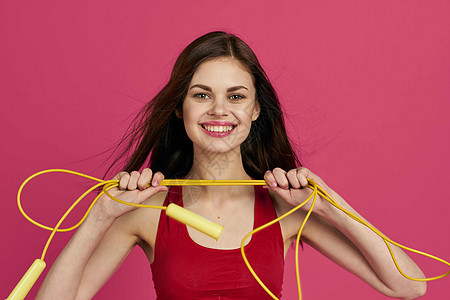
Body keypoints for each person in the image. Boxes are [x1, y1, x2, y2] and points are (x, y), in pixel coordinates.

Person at [36, 31, 427, 299]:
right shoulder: (148, 209)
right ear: (179, 107)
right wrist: (100, 216)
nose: (220, 110)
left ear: (256, 109)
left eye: (236, 96)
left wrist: (327, 205)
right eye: (202, 95)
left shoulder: (283, 210)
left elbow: (408, 286)